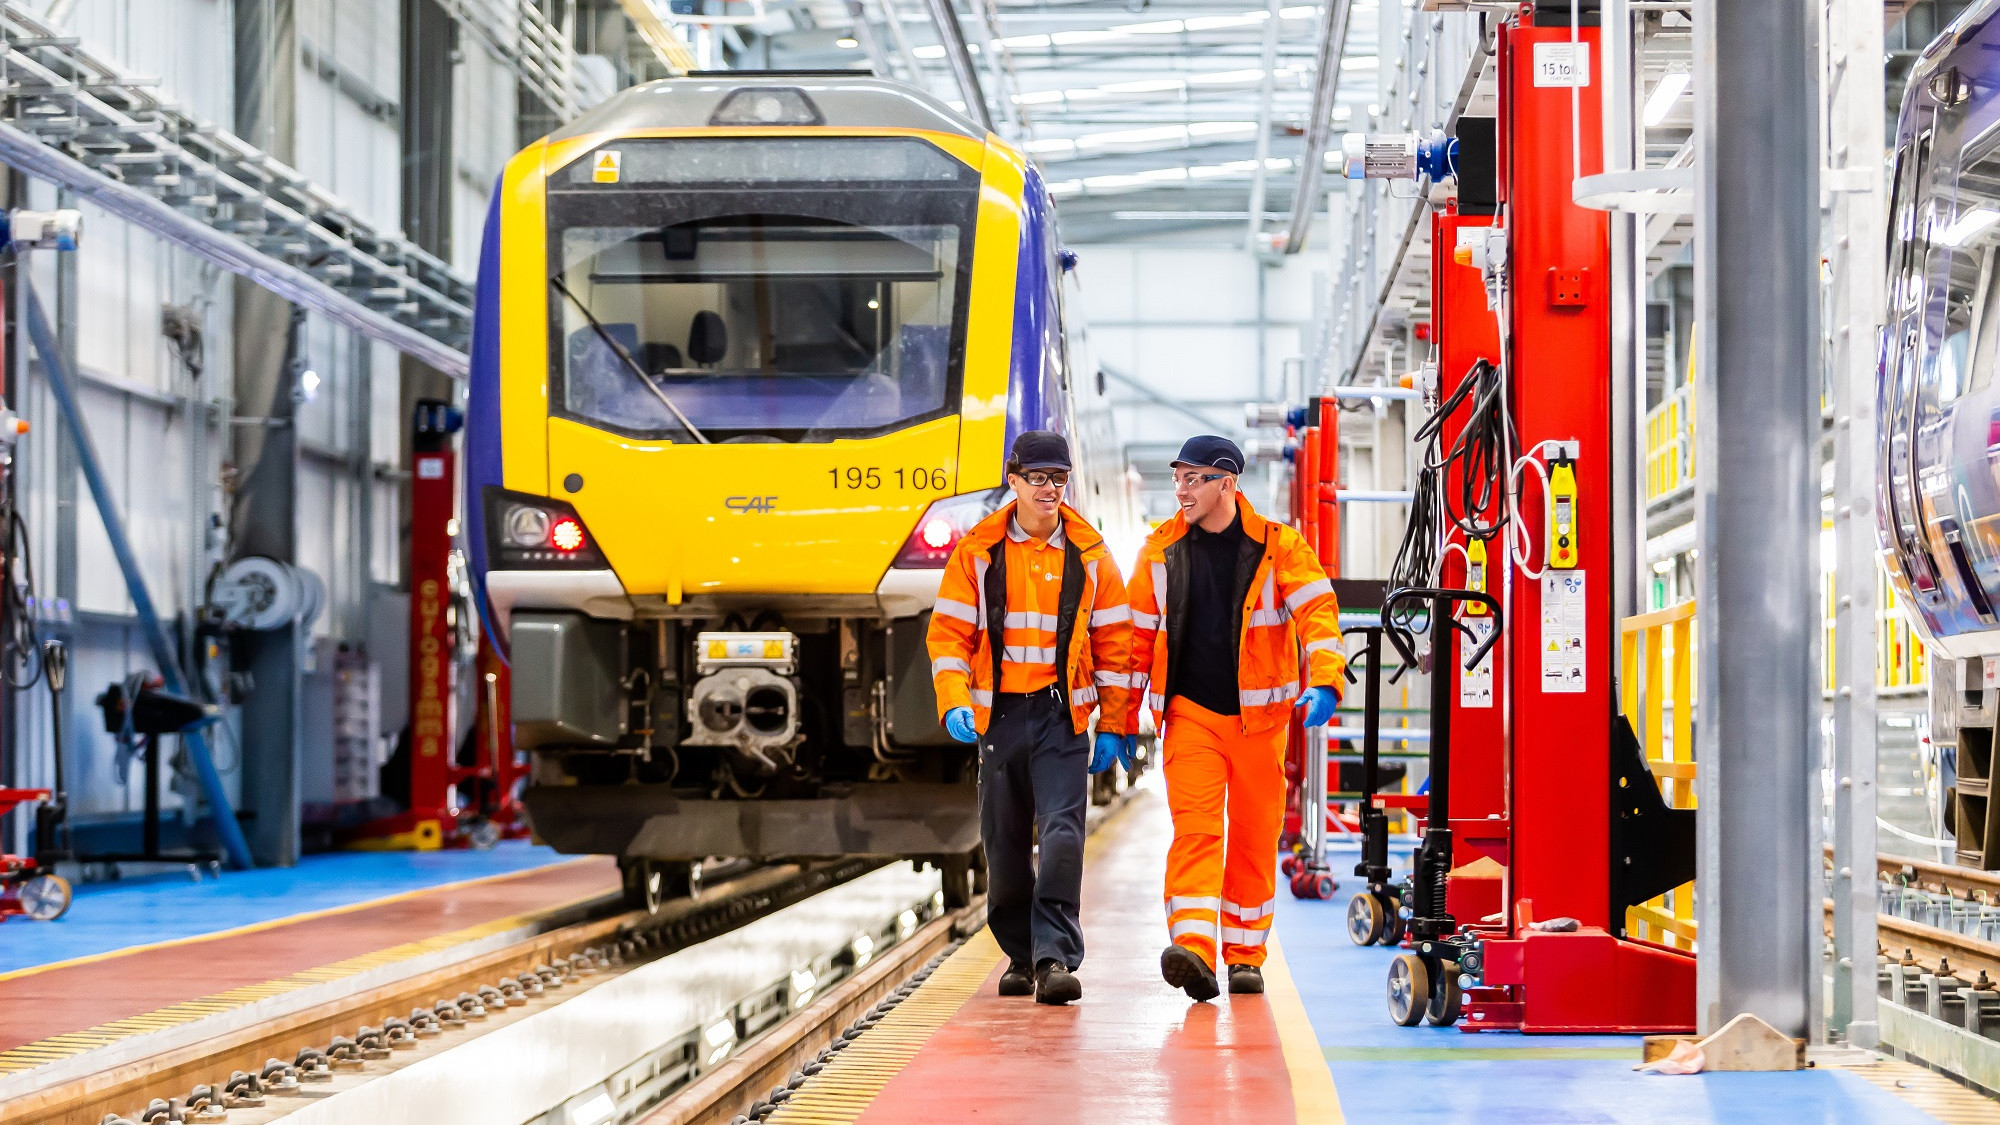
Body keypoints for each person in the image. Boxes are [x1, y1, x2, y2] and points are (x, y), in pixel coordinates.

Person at [1125, 435, 1344, 1001]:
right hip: (1191, 718)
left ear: (1228, 483)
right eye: (1178, 478)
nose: (1181, 490)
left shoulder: (1280, 548)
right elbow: (1131, 644)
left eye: (1193, 479)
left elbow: (1318, 613)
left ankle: (1244, 955)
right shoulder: (1159, 550)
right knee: (1196, 833)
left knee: (1252, 837)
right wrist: (1121, 720)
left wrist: (1325, 679)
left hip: (1262, 723)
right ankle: (1193, 949)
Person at [927, 430, 1135, 1005]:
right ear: (1013, 481)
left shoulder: (1089, 555)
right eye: (1038, 478)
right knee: (1005, 838)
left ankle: (1055, 957)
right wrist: (953, 699)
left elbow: (1116, 642)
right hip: (998, 717)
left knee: (1064, 834)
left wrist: (1115, 723)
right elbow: (948, 634)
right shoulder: (978, 553)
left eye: (1059, 478)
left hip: (1058, 715)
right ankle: (1021, 954)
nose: (1050, 489)